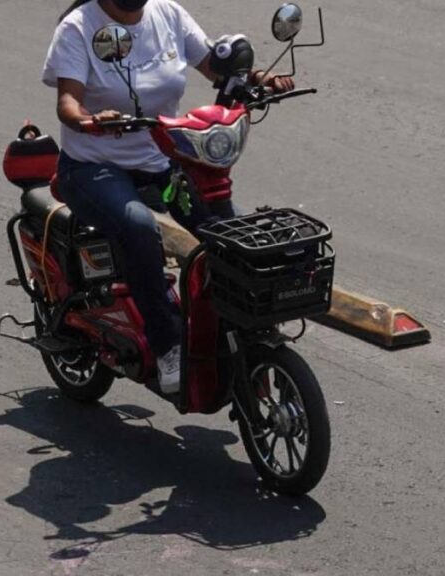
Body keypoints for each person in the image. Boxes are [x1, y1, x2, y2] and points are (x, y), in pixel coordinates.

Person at [42, 0, 292, 394]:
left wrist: (259, 80)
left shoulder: (168, 14)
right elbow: (67, 103)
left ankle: (244, 330)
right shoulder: (79, 27)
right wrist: (90, 121)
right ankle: (167, 344)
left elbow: (214, 66)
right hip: (93, 168)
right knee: (140, 227)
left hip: (163, 164)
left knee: (231, 232)